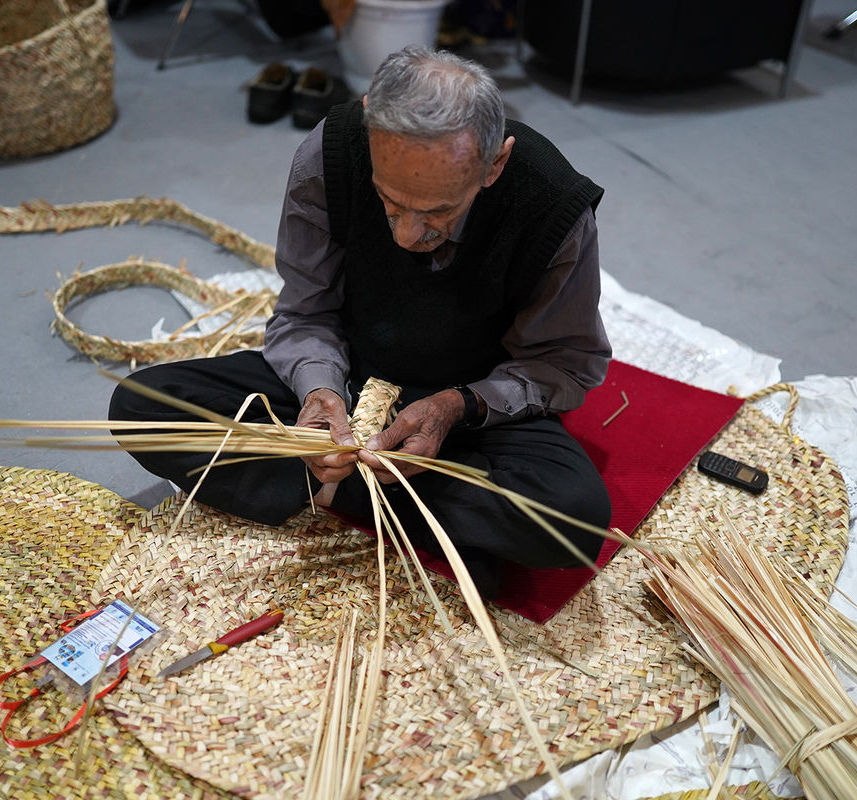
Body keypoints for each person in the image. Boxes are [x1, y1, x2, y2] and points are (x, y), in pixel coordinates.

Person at [110, 46, 612, 597]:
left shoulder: (552, 204)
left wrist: (455, 407)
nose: (404, 237)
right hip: (350, 370)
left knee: (574, 520)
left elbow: (562, 364)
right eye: (389, 202)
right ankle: (383, 498)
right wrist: (319, 393)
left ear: (494, 163)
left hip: (470, 407)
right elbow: (305, 311)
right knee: (143, 406)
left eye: (438, 213)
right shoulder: (332, 153)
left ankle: (323, 490)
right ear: (372, 126)